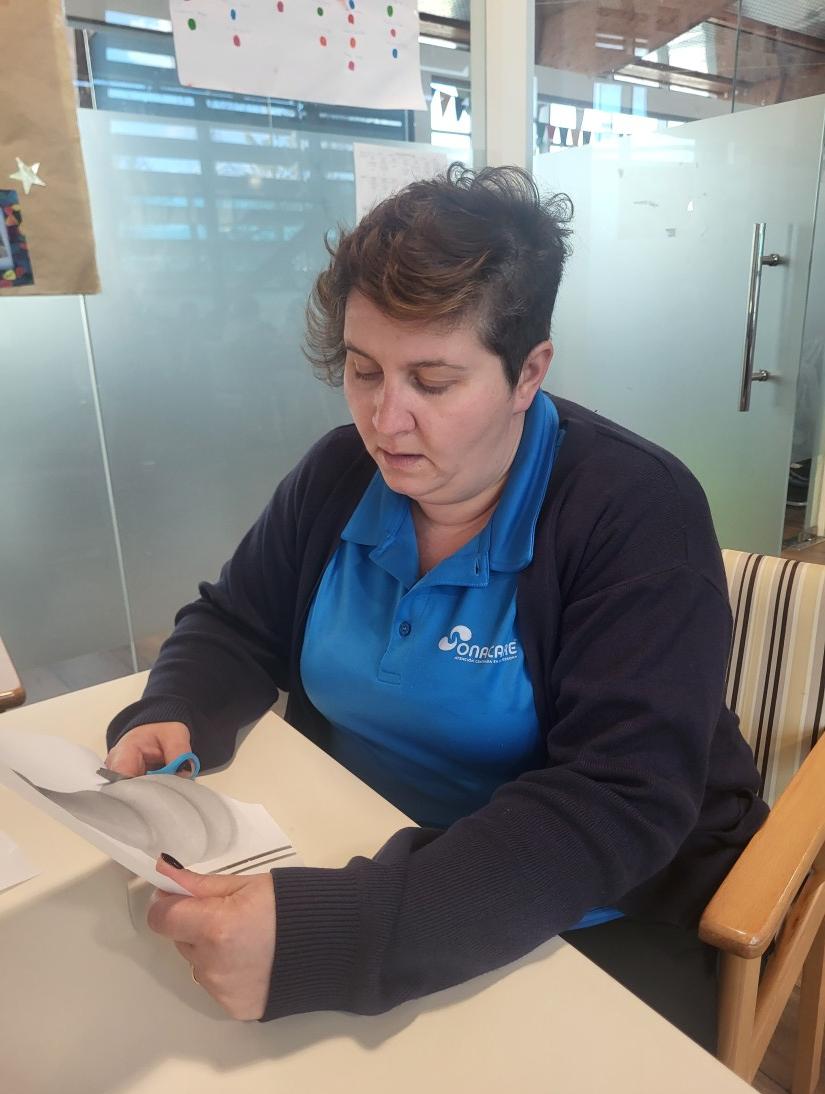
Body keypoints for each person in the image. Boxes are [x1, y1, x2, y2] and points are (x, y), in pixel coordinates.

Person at [105, 164, 768, 1047]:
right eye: (362, 370)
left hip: (588, 909)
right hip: (361, 850)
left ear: (527, 373)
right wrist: (177, 707)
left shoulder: (635, 510)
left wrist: (341, 935)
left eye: (432, 381)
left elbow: (619, 799)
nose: (385, 420)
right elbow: (235, 623)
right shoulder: (338, 475)